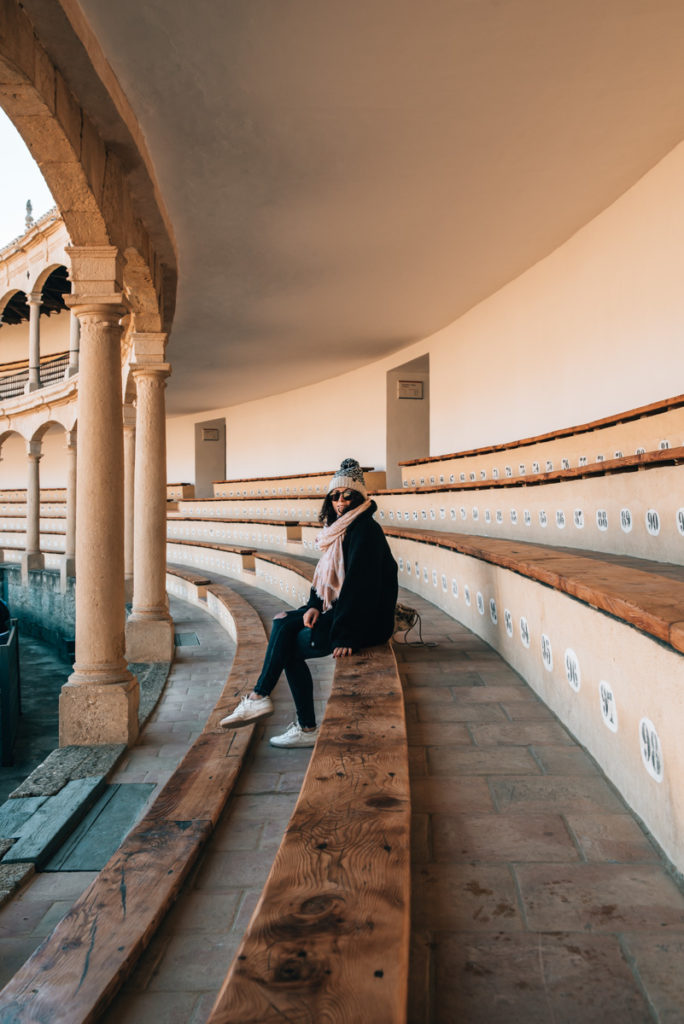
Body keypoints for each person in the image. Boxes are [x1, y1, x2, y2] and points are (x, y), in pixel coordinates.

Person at [220, 458, 398, 747]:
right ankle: (268, 704)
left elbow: (360, 589)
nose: (340, 500)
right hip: (341, 612)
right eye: (335, 495)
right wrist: (312, 605)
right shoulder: (340, 529)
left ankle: (275, 707)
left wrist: (347, 635)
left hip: (365, 623)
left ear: (360, 497)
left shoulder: (365, 531)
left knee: (287, 645)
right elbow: (323, 578)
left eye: (347, 494)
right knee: (282, 622)